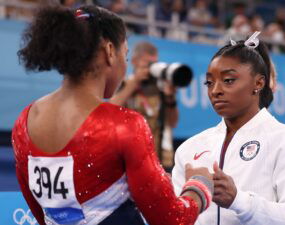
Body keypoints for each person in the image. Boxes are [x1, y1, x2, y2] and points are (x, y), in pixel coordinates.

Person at [13, 5, 213, 225]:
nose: (125, 66)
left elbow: (43, 214)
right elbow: (173, 219)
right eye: (125, 55)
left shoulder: (24, 120)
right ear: (109, 51)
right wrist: (199, 185)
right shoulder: (124, 125)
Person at [172, 32, 285, 225]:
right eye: (209, 82)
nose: (215, 90)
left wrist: (237, 200)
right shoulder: (189, 149)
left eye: (228, 80)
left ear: (258, 83)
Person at [110, 41, 178, 169]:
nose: (151, 68)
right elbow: (112, 107)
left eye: (154, 63)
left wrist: (171, 99)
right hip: (134, 157)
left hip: (163, 159)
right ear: (135, 61)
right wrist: (135, 81)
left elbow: (173, 123)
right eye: (148, 63)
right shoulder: (126, 84)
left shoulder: (161, 87)